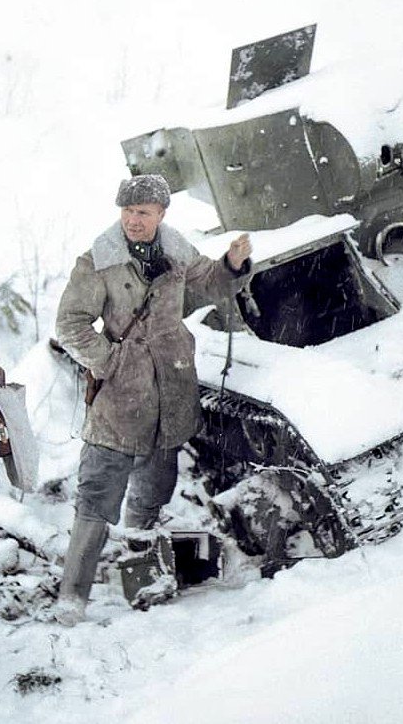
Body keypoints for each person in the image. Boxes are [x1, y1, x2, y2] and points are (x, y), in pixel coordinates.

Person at [54, 173, 252, 624]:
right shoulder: (99, 260)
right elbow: (70, 324)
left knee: (152, 493)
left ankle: (141, 574)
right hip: (119, 399)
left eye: (143, 212)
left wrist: (233, 263)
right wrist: (112, 362)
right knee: (97, 495)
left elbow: (213, 283)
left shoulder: (177, 251)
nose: (133, 220)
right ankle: (72, 596)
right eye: (127, 211)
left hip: (169, 393)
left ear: (161, 214)